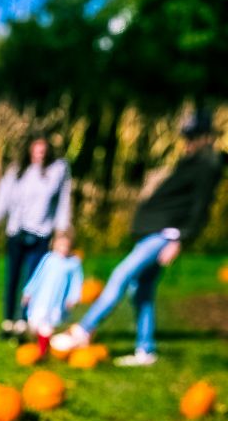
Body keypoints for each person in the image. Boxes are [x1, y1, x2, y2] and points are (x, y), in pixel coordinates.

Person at [52, 110, 224, 366]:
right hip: (156, 232)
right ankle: (145, 350)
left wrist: (179, 239)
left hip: (164, 234)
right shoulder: (193, 161)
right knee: (141, 291)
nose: (187, 143)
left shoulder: (207, 165)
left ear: (205, 137)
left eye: (191, 137)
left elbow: (200, 207)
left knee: (121, 276)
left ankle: (83, 330)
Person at [0, 134, 73, 338]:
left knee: (32, 279)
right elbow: (2, 196)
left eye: (43, 151)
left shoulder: (57, 171)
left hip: (41, 233)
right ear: (29, 150)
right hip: (17, 231)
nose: (40, 154)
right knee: (12, 277)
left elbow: (63, 202)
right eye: (36, 150)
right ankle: (8, 321)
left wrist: (63, 230)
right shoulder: (17, 171)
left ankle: (24, 320)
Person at [20, 229, 84, 356]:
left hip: (57, 301)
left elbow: (76, 282)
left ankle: (42, 351)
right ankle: (36, 343)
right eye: (61, 245)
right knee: (34, 324)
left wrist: (73, 298)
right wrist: (28, 292)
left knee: (47, 326)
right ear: (54, 244)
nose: (63, 249)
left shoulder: (73, 263)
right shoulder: (48, 259)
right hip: (41, 299)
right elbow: (37, 276)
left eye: (66, 246)